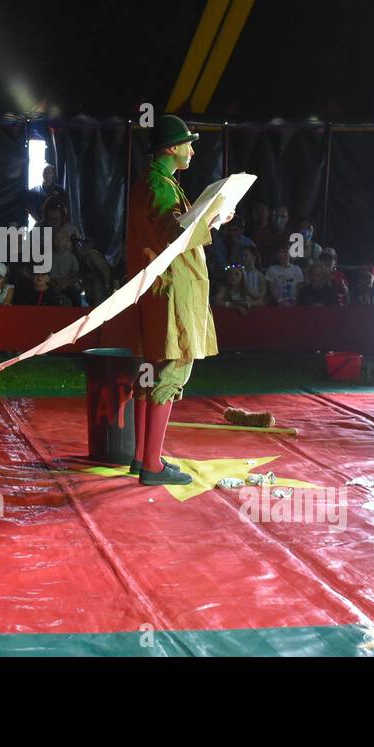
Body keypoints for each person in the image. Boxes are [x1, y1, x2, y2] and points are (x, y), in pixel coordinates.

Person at [125, 114, 230, 486]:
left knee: (149, 369)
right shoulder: (160, 185)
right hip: (171, 289)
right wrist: (212, 215)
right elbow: (176, 233)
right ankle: (152, 465)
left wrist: (211, 220)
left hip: (157, 288)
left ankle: (141, 457)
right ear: (171, 147)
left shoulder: (155, 182)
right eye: (187, 143)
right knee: (172, 368)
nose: (191, 149)